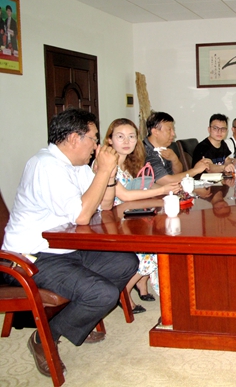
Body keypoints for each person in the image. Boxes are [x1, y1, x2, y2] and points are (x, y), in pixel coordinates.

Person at [1, 109, 139, 378]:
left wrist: (108, 175)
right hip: (31, 257)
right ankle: (45, 337)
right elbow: (81, 216)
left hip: (65, 249)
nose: (97, 146)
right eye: (94, 138)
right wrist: (103, 169)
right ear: (75, 138)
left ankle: (75, 322)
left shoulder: (75, 166)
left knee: (125, 262)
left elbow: (105, 205)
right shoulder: (46, 166)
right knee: (102, 294)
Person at [103, 118, 182, 314]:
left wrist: (166, 193)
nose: (127, 141)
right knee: (154, 248)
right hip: (111, 221)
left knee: (164, 230)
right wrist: (162, 190)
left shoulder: (128, 163)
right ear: (110, 140)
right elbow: (124, 195)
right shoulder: (106, 164)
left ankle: (142, 283)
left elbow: (142, 186)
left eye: (131, 137)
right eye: (120, 137)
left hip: (131, 216)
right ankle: (124, 291)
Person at [143, 111, 210, 185]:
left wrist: (174, 159)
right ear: (155, 132)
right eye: (169, 130)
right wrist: (195, 170)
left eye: (173, 130)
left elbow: (177, 173)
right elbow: (166, 181)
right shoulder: (146, 152)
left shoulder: (163, 147)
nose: (173, 134)